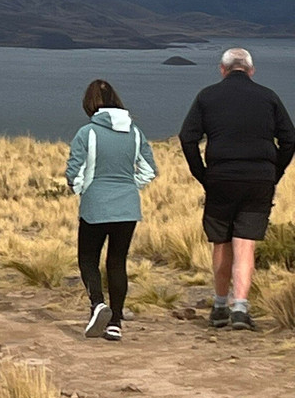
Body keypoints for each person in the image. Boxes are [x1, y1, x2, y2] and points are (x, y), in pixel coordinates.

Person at [179, 47, 295, 331]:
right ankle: (240, 309)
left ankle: (219, 307)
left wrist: (202, 174)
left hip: (221, 178)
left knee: (221, 241)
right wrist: (274, 172)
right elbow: (290, 139)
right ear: (251, 70)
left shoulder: (207, 96)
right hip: (259, 180)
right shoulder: (268, 97)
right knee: (245, 244)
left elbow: (187, 137)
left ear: (223, 69)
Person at [66, 79, 157, 341]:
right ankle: (115, 322)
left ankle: (98, 304)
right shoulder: (135, 132)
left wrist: (81, 188)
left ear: (89, 103)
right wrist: (130, 186)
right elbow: (149, 170)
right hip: (128, 207)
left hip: (96, 205)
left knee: (88, 259)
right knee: (117, 263)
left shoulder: (87, 133)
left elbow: (75, 170)